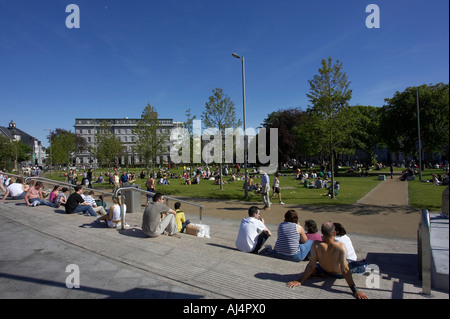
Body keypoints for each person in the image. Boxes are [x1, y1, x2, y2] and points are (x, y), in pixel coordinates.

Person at [286, 222, 368, 299]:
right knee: (360, 264)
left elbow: (311, 265)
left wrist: (300, 281)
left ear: (321, 232)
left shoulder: (316, 244)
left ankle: (319, 273)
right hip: (339, 274)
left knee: (317, 265)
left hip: (325, 270)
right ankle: (363, 264)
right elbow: (345, 269)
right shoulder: (340, 246)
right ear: (334, 233)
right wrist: (355, 291)